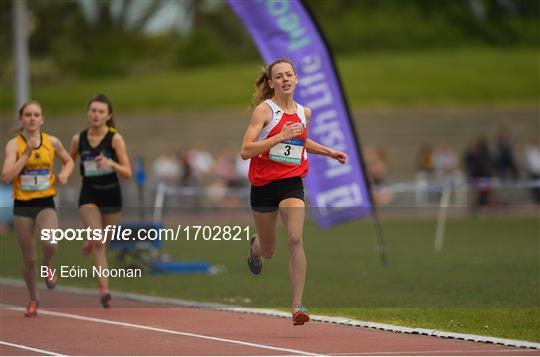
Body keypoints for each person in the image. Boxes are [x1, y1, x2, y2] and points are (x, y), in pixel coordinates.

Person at [240, 58, 347, 326]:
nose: (285, 79)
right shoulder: (264, 112)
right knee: (268, 250)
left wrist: (329, 152)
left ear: (296, 79)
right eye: (279, 76)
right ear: (271, 83)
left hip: (291, 182)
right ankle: (255, 248)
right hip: (263, 186)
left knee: (296, 239)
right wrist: (278, 136)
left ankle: (298, 305)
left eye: (289, 75)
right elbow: (245, 151)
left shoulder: (304, 112)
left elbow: (301, 140)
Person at [1, 101, 74, 317]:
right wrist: (26, 154)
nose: (32, 118)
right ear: (21, 119)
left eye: (36, 115)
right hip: (23, 206)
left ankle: (48, 265)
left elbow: (69, 161)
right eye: (28, 115)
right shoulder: (14, 145)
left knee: (51, 242)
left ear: (42, 119)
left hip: (45, 203)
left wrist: (64, 174)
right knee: (29, 259)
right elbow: (6, 177)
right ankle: (33, 298)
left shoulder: (52, 142)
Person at [69, 94, 132, 308]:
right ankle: (104, 289)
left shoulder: (115, 138)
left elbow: (127, 173)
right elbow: (70, 161)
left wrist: (110, 163)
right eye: (93, 111)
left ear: (108, 116)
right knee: (98, 242)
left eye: (100, 112)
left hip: (111, 194)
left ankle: (91, 240)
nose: (96, 115)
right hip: (89, 193)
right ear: (88, 113)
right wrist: (63, 174)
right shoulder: (79, 139)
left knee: (103, 243)